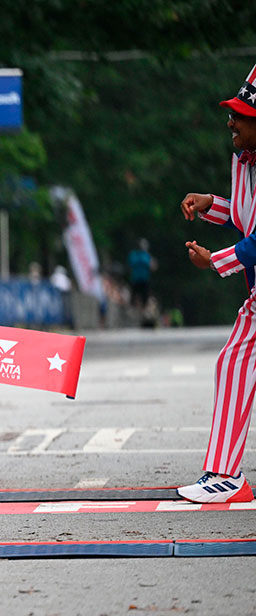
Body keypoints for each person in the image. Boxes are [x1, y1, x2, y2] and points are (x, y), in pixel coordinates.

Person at [176, 62, 256, 504]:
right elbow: (248, 218)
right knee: (233, 364)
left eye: (241, 115)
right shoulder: (244, 159)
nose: (231, 121)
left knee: (234, 364)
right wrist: (210, 204)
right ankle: (225, 475)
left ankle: (225, 476)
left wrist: (215, 262)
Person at [128, 238, 156, 308]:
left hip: (144, 279)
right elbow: (130, 265)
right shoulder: (134, 254)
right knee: (134, 296)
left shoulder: (147, 256)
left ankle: (143, 309)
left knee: (144, 297)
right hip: (135, 279)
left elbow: (153, 267)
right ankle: (133, 308)